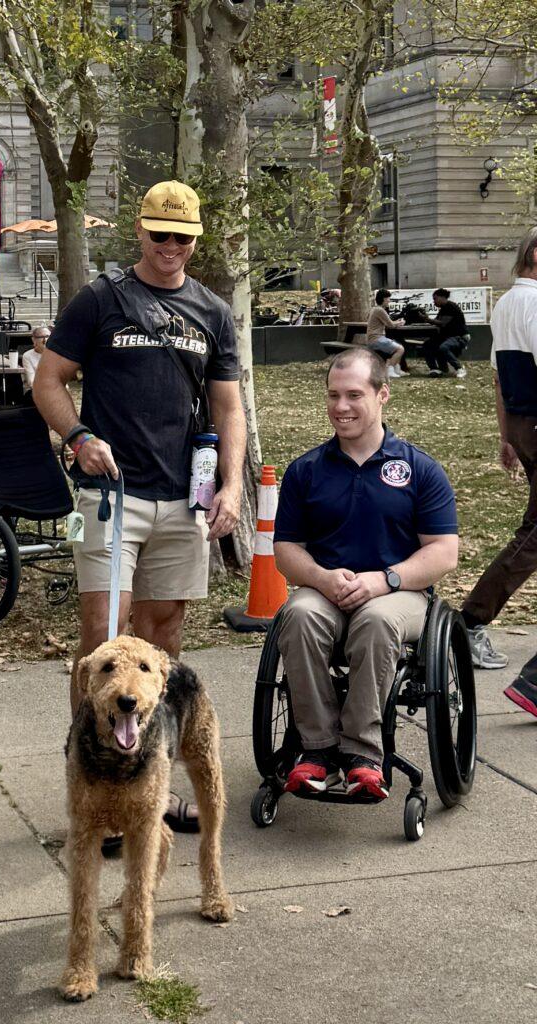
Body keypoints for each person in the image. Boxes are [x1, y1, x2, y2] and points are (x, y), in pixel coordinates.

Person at [34, 180, 246, 833]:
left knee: (161, 648)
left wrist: (232, 486)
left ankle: (146, 785)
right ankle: (92, 785)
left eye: (183, 238)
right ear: (140, 232)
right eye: (161, 236)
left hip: (184, 499)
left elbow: (228, 406)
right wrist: (78, 436)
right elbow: (47, 380)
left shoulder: (212, 310)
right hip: (110, 499)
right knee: (102, 647)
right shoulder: (101, 300)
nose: (172, 249)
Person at [273, 348, 458, 800]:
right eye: (333, 395)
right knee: (298, 615)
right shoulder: (306, 471)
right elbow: (285, 551)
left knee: (377, 621)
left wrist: (384, 580)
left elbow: (443, 553)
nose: (341, 406)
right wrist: (320, 577)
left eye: (354, 394)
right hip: (327, 588)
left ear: (383, 395)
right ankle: (316, 750)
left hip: (401, 593)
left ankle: (361, 755)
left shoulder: (418, 468)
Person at [460, 227, 537, 680]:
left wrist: (506, 436)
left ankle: (470, 620)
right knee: (533, 537)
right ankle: (469, 620)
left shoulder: (508, 303)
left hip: (525, 429)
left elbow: (498, 379)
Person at [426, 288, 468, 378]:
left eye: (435, 298)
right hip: (448, 336)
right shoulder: (443, 309)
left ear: (442, 297)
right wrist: (424, 318)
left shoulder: (451, 307)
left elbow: (442, 323)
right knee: (428, 344)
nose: (434, 302)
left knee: (444, 347)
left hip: (458, 336)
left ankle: (459, 368)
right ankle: (435, 369)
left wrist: (426, 319)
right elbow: (436, 321)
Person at [365, 289, 406, 379]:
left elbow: (388, 323)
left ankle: (397, 369)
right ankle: (390, 370)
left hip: (373, 339)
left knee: (397, 344)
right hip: (376, 339)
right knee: (400, 349)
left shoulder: (374, 309)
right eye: (388, 299)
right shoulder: (380, 310)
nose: (389, 301)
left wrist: (396, 322)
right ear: (383, 299)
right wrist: (400, 322)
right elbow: (390, 325)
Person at [22, 325, 50, 389]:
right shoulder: (27, 356)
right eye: (41, 337)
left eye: (47, 336)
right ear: (34, 340)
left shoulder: (56, 354)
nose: (45, 340)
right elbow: (31, 382)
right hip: (36, 391)